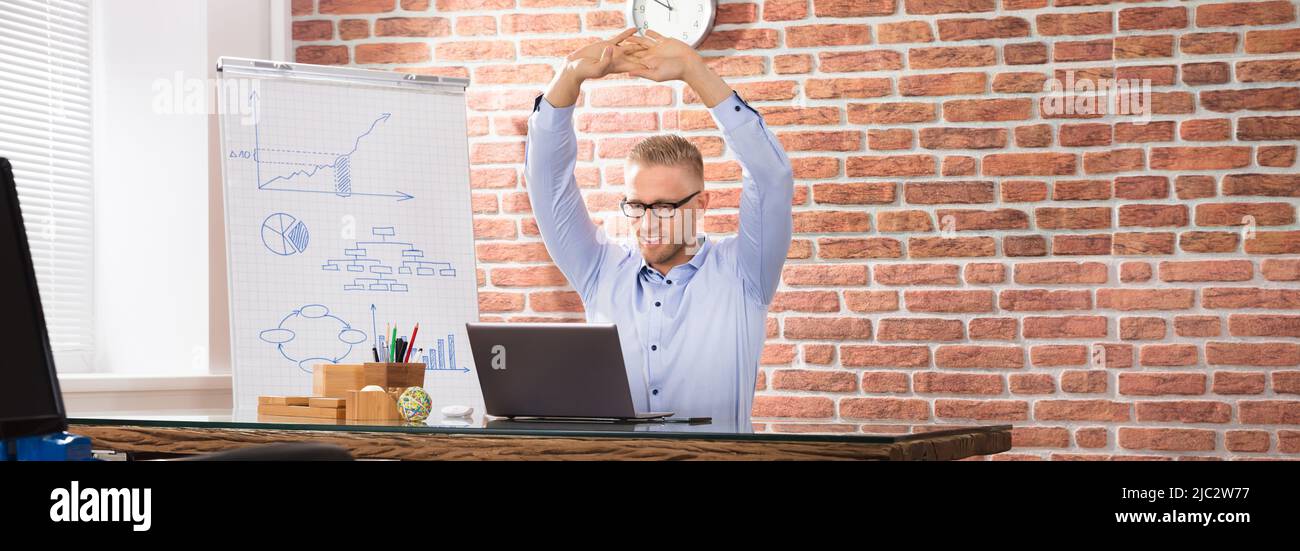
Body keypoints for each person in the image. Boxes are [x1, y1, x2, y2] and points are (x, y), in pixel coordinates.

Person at [524, 28, 794, 427]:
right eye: (636, 205)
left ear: (701, 203)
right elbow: (547, 186)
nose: (646, 223)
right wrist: (569, 77)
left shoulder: (745, 271)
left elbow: (771, 177)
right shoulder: (599, 270)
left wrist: (693, 70)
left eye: (665, 207)